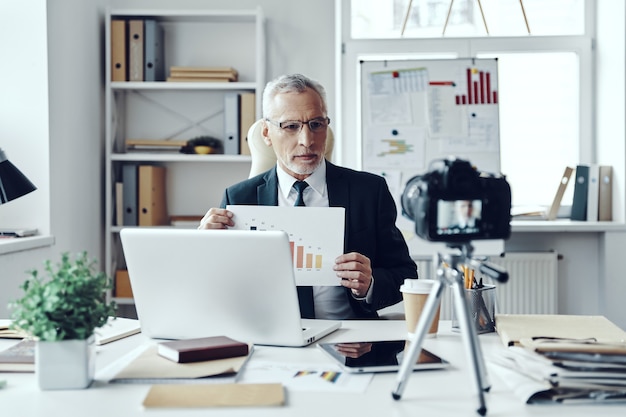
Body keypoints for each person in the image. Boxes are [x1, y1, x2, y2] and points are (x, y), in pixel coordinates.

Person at [198, 73, 417, 320]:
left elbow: (406, 274)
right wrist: (205, 250)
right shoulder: (239, 198)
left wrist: (370, 284)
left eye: (316, 124)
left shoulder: (369, 191)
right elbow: (217, 288)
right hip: (270, 338)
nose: (307, 140)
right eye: (291, 126)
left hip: (350, 341)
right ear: (267, 133)